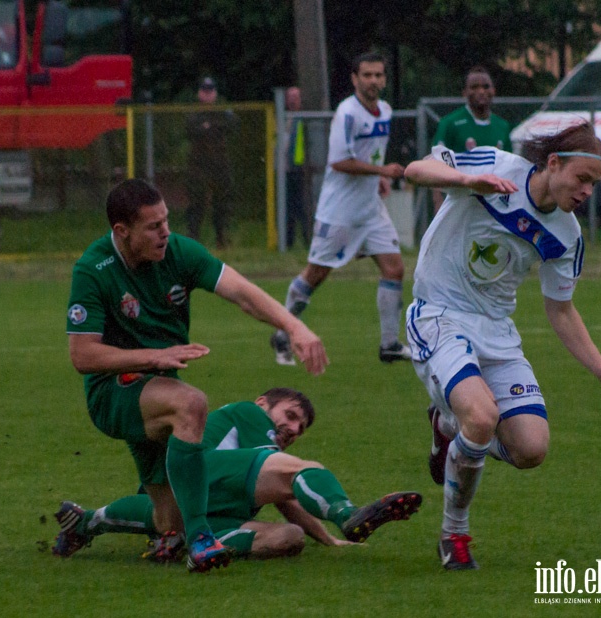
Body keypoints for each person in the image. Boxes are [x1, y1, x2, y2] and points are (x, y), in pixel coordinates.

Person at [402, 121, 601, 571]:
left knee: (531, 449)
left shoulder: (568, 236)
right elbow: (415, 171)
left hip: (497, 330)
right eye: (581, 179)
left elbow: (561, 310)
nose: (586, 192)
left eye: (594, 185)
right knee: (482, 417)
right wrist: (464, 180)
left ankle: (448, 428)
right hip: (439, 313)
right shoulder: (496, 166)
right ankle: (454, 535)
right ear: (553, 164)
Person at [58, 179, 328, 573]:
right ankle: (202, 541)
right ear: (122, 231)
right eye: (153, 226)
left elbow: (242, 292)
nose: (165, 232)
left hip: (157, 390)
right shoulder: (93, 269)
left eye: (166, 220)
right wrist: (154, 357)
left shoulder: (178, 252)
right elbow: (82, 355)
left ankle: (86, 522)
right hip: (112, 391)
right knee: (192, 403)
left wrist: (294, 327)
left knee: (170, 520)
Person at [53, 388, 422, 561]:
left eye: (301, 427)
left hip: (199, 511)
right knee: (308, 470)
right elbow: (289, 486)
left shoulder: (263, 455)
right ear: (264, 403)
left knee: (288, 539)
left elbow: (287, 499)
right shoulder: (250, 414)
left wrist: (325, 540)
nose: (293, 428)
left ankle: (88, 523)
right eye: (290, 416)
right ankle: (347, 513)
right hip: (200, 472)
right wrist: (338, 524)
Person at [271, 52, 410, 366]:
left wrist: (378, 179)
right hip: (340, 212)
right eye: (367, 75)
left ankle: (389, 344)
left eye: (378, 75)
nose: (373, 81)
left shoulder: (384, 110)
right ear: (354, 78)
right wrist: (381, 172)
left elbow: (371, 153)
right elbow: (339, 161)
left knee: (394, 268)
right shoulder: (347, 113)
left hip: (370, 209)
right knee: (316, 274)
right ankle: (282, 331)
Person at [431, 66, 512, 212]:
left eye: (486, 86)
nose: (481, 91)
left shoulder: (503, 126)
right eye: (474, 87)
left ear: (493, 90)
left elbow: (510, 170)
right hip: (459, 202)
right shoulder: (450, 123)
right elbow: (436, 164)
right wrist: (438, 203)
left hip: (494, 206)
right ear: (465, 92)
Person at [185, 77, 238, 248]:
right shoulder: (193, 113)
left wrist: (210, 126)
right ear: (199, 93)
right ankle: (193, 238)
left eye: (210, 91)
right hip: (198, 165)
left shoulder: (222, 112)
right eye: (204, 91)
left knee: (221, 202)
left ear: (215, 93)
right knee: (196, 202)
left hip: (219, 164)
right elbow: (191, 129)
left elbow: (231, 125)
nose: (207, 95)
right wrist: (209, 128)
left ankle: (221, 238)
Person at [284, 86, 311, 249]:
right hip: (286, 170)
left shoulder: (305, 119)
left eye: (296, 96)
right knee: (288, 208)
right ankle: (288, 242)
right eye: (290, 97)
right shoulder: (283, 117)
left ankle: (308, 240)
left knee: (302, 207)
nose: (293, 100)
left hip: (301, 169)